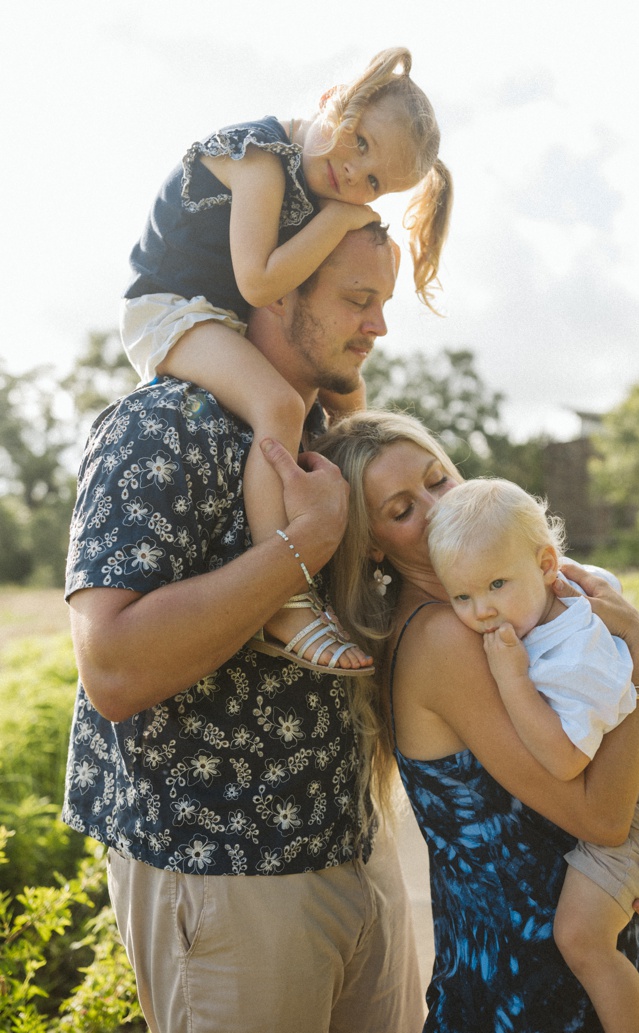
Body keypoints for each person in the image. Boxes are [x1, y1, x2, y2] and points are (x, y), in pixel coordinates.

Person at [64, 223, 425, 1032]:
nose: (379, 326)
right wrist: (303, 549)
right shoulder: (162, 426)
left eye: (384, 302)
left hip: (356, 851)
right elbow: (113, 667)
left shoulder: (329, 436)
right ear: (276, 291)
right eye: (358, 300)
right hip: (228, 880)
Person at [313, 411, 639, 1032]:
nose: (439, 508)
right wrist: (638, 661)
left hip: (570, 937)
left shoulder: (487, 618)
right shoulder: (448, 637)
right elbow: (600, 818)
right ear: (370, 542)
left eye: (439, 479)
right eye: (402, 509)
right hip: (533, 980)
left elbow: (609, 783)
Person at [121, 46, 454, 676]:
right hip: (168, 308)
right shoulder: (263, 158)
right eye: (357, 143)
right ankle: (287, 594)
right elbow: (258, 283)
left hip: (218, 316)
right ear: (333, 99)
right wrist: (342, 219)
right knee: (275, 403)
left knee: (351, 404)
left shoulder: (317, 179)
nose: (354, 176)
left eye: (376, 182)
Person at [425, 479, 639, 1033]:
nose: (481, 610)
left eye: (496, 585)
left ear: (548, 564)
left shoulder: (575, 652)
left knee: (580, 939)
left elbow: (567, 761)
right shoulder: (550, 595)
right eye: (462, 596)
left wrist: (513, 678)